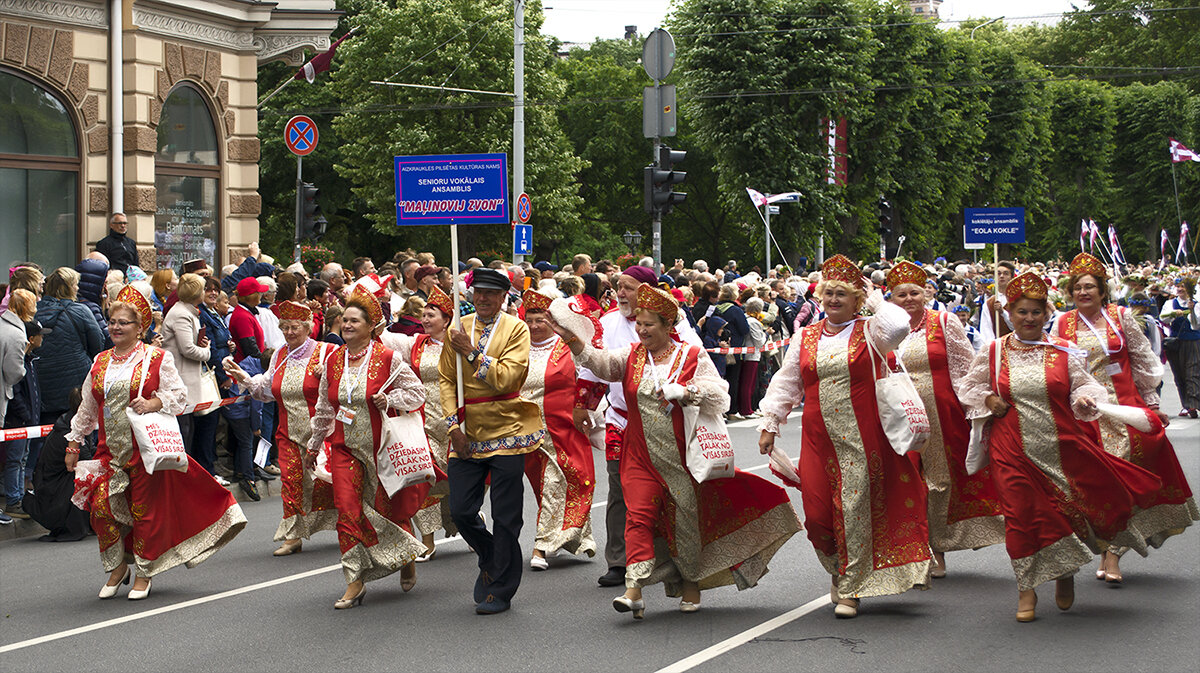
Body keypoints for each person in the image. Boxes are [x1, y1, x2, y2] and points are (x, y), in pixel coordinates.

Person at [556, 283, 800, 619]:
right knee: (638, 516)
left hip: (684, 457)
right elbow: (600, 363)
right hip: (639, 454)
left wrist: (687, 392)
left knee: (686, 523)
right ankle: (634, 588)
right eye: (639, 324)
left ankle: (691, 583)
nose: (641, 330)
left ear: (669, 326)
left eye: (649, 325)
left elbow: (721, 396)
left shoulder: (692, 356)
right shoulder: (630, 355)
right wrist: (574, 338)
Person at [959, 272, 1165, 622]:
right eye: (1021, 312)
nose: (1028, 319)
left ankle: (1065, 573)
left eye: (1035, 313)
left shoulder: (1061, 352)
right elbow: (967, 387)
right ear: (1010, 313)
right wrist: (989, 398)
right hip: (1010, 449)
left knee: (1063, 513)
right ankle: (1027, 588)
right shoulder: (994, 352)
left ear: (1046, 315)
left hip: (1060, 447)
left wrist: (1085, 399)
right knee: (1021, 516)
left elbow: (1086, 387)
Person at [757, 254, 932, 619]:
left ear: (856, 299)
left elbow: (901, 325)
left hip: (865, 438)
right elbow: (787, 381)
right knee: (818, 515)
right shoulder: (805, 336)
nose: (834, 299)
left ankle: (852, 587)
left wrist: (873, 299)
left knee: (854, 509)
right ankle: (840, 566)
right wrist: (770, 423)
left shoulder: (872, 330)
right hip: (819, 439)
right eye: (829, 293)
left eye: (843, 294)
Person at [65, 285, 246, 600]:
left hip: (145, 449)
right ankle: (119, 565)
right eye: (112, 321)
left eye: (124, 322)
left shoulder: (156, 357)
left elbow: (179, 396)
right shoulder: (101, 360)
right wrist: (73, 442)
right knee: (102, 507)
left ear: (140, 328)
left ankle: (145, 570)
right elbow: (88, 406)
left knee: (145, 511)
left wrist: (153, 403)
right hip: (110, 450)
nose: (116, 327)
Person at [1053, 253, 1198, 583]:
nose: (1084, 292)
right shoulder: (1062, 324)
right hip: (1085, 410)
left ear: (1102, 291)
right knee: (1097, 482)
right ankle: (1107, 550)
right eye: (1077, 287)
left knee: (1124, 477)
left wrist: (1151, 404)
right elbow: (1057, 368)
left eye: (1090, 286)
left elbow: (1144, 362)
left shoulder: (1121, 317)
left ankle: (1113, 555)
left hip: (1124, 407)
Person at [576, 265, 703, 588]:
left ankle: (673, 558)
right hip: (622, 419)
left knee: (671, 493)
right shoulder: (607, 322)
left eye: (629, 287)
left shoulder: (676, 323)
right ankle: (620, 561)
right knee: (621, 489)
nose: (620, 293)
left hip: (666, 422)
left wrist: (685, 393)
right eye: (618, 286)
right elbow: (598, 366)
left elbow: (695, 364)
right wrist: (582, 404)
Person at [306, 286, 427, 609]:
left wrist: (390, 399)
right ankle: (354, 580)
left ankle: (406, 556)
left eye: (354, 321)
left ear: (371, 326)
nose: (346, 325)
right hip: (344, 448)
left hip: (381, 448)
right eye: (344, 320)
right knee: (347, 510)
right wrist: (314, 443)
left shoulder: (388, 358)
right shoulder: (332, 360)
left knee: (388, 509)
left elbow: (417, 394)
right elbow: (324, 407)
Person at [885, 261, 1005, 579]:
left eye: (914, 292)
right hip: (898, 415)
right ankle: (914, 548)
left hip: (941, 413)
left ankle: (936, 549)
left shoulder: (945, 322)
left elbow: (968, 368)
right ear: (891, 299)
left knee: (938, 480)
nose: (909, 299)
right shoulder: (881, 329)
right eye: (901, 294)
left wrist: (976, 409)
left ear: (926, 293)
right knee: (906, 480)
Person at [439, 267, 545, 615]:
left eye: (490, 293)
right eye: (477, 292)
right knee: (461, 510)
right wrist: (453, 425)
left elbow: (507, 377)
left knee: (507, 516)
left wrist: (472, 353)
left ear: (503, 298)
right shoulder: (458, 328)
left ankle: (499, 587)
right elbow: (445, 379)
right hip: (467, 431)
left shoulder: (516, 329)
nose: (482, 299)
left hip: (509, 430)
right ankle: (490, 555)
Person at [225, 300, 339, 556]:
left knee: (331, 482)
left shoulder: (327, 352)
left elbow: (345, 388)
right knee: (291, 483)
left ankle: (350, 524)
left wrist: (330, 374)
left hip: (323, 433)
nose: (288, 332)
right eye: (284, 327)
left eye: (294, 327)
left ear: (308, 328)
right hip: (287, 433)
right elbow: (266, 390)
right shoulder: (279, 354)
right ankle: (293, 535)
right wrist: (242, 376)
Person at [518, 289, 597, 569]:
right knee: (543, 488)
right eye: (530, 319)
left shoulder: (567, 347)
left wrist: (585, 406)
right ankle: (578, 537)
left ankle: (541, 546)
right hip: (526, 432)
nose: (535, 325)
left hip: (562, 431)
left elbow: (591, 376)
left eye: (540, 319)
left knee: (557, 483)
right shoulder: (518, 347)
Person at [378, 285, 456, 561]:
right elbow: (383, 339)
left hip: (454, 418)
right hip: (422, 419)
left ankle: (466, 517)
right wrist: (375, 307)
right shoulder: (415, 343)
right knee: (425, 476)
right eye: (423, 314)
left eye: (432, 314)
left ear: (447, 319)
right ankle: (427, 540)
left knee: (457, 478)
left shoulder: (459, 344)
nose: (425, 319)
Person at [35, 268, 104, 446]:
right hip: (76, 386)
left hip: (43, 386)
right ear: (69, 288)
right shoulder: (80, 311)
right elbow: (98, 344)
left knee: (44, 439)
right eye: (75, 284)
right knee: (79, 436)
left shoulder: (35, 312)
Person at [25, 387, 93, 541]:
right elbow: (88, 461)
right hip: (53, 493)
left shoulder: (68, 422)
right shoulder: (69, 432)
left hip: (51, 486)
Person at [159, 273, 210, 466]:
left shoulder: (188, 312)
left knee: (188, 429)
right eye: (204, 289)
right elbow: (187, 349)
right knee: (183, 431)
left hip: (186, 378)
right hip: (180, 379)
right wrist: (207, 351)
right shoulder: (181, 314)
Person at [193, 278, 233, 481]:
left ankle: (210, 467)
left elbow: (221, 340)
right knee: (208, 424)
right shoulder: (201, 314)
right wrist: (223, 376)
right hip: (212, 375)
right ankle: (207, 470)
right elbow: (210, 348)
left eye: (215, 289)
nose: (212, 293)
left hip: (221, 369)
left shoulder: (213, 312)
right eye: (207, 289)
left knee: (215, 424)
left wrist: (230, 345)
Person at [1160, 276, 1200, 417]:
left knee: (1192, 373)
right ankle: (1186, 404)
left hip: (1193, 341)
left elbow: (1196, 325)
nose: (1180, 289)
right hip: (1175, 343)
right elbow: (1163, 318)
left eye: (1183, 286)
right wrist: (1173, 315)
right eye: (1178, 286)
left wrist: (1192, 310)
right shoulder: (1170, 303)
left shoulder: (1197, 303)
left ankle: (1193, 404)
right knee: (1179, 374)